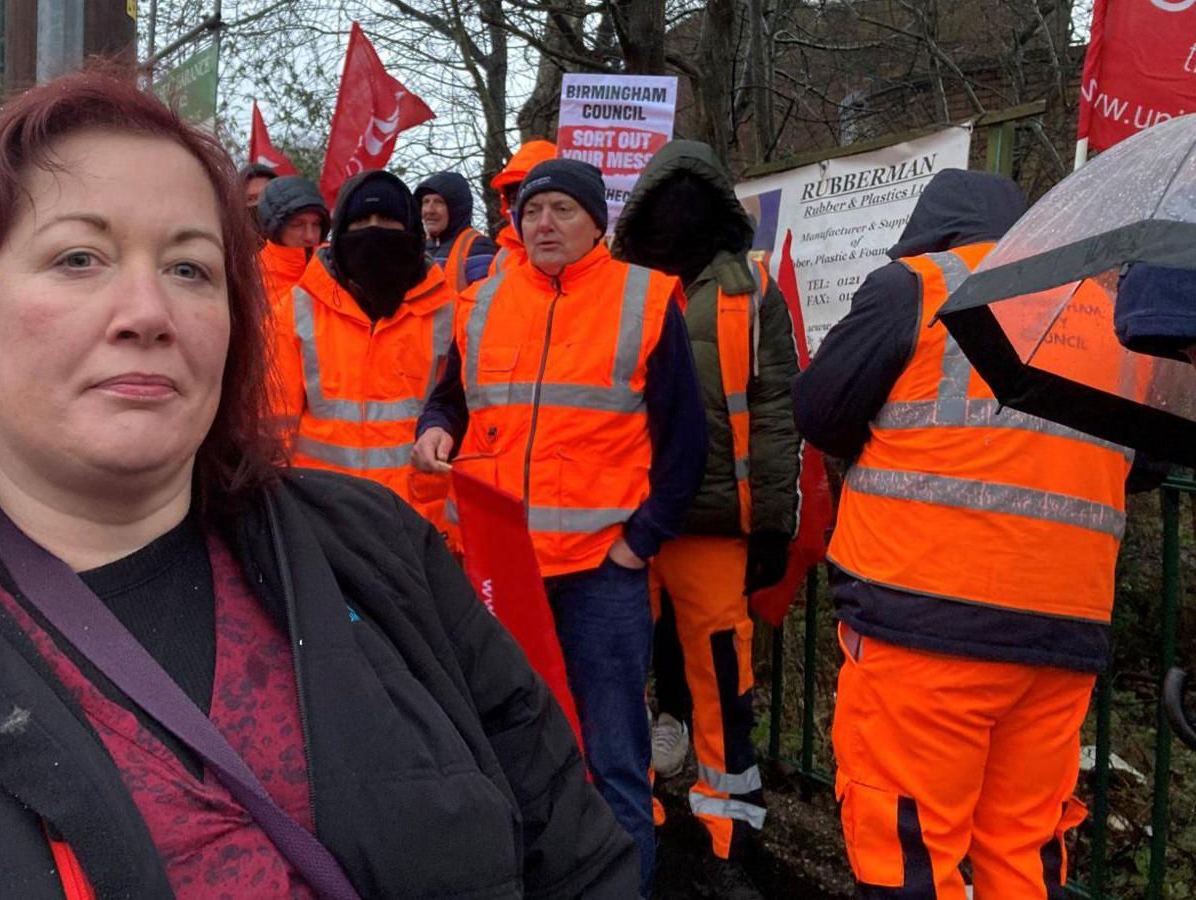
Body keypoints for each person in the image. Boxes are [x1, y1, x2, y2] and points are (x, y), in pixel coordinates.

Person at [0, 67, 638, 899]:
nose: (149, 310)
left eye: (190, 268)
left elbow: (574, 857)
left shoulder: (389, 564)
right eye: (79, 260)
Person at [792, 169, 1133, 899]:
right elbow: (1150, 454)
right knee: (1024, 848)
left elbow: (821, 412)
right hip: (1064, 631)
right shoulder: (1104, 304)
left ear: (929, 230)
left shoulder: (917, 285)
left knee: (909, 856)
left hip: (925, 621)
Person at [415, 158, 709, 896]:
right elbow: (451, 398)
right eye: (533, 210)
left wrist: (639, 542)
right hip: (502, 571)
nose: (544, 224)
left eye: (563, 211)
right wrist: (434, 427)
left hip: (598, 574)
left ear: (595, 224)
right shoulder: (482, 302)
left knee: (613, 757)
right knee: (504, 746)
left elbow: (686, 443)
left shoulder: (643, 300)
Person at [612, 140, 802, 900]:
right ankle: (630, 812)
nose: (678, 213)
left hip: (715, 524)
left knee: (724, 681)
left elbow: (777, 408)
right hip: (623, 518)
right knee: (617, 670)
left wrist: (775, 523)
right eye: (668, 196)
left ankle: (730, 835)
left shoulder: (752, 292)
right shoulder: (619, 290)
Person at [271, 170, 456, 538]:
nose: (374, 232)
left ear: (411, 233)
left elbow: (459, 418)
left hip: (421, 522)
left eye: (387, 221)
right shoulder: (295, 310)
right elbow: (271, 426)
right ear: (340, 234)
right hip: (322, 518)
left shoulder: (451, 312)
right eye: (360, 222)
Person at [415, 171, 497, 292]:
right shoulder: (420, 248)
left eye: (438, 202)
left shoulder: (477, 247)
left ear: (456, 209)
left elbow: (484, 304)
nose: (429, 210)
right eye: (426, 202)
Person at [486, 140, 557, 277]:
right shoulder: (504, 256)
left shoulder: (582, 253)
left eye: (531, 197)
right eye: (515, 199)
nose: (525, 207)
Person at [254, 176, 328, 301]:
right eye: (297, 224)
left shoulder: (337, 263)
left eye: (316, 224)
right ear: (276, 228)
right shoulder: (252, 276)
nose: (309, 236)